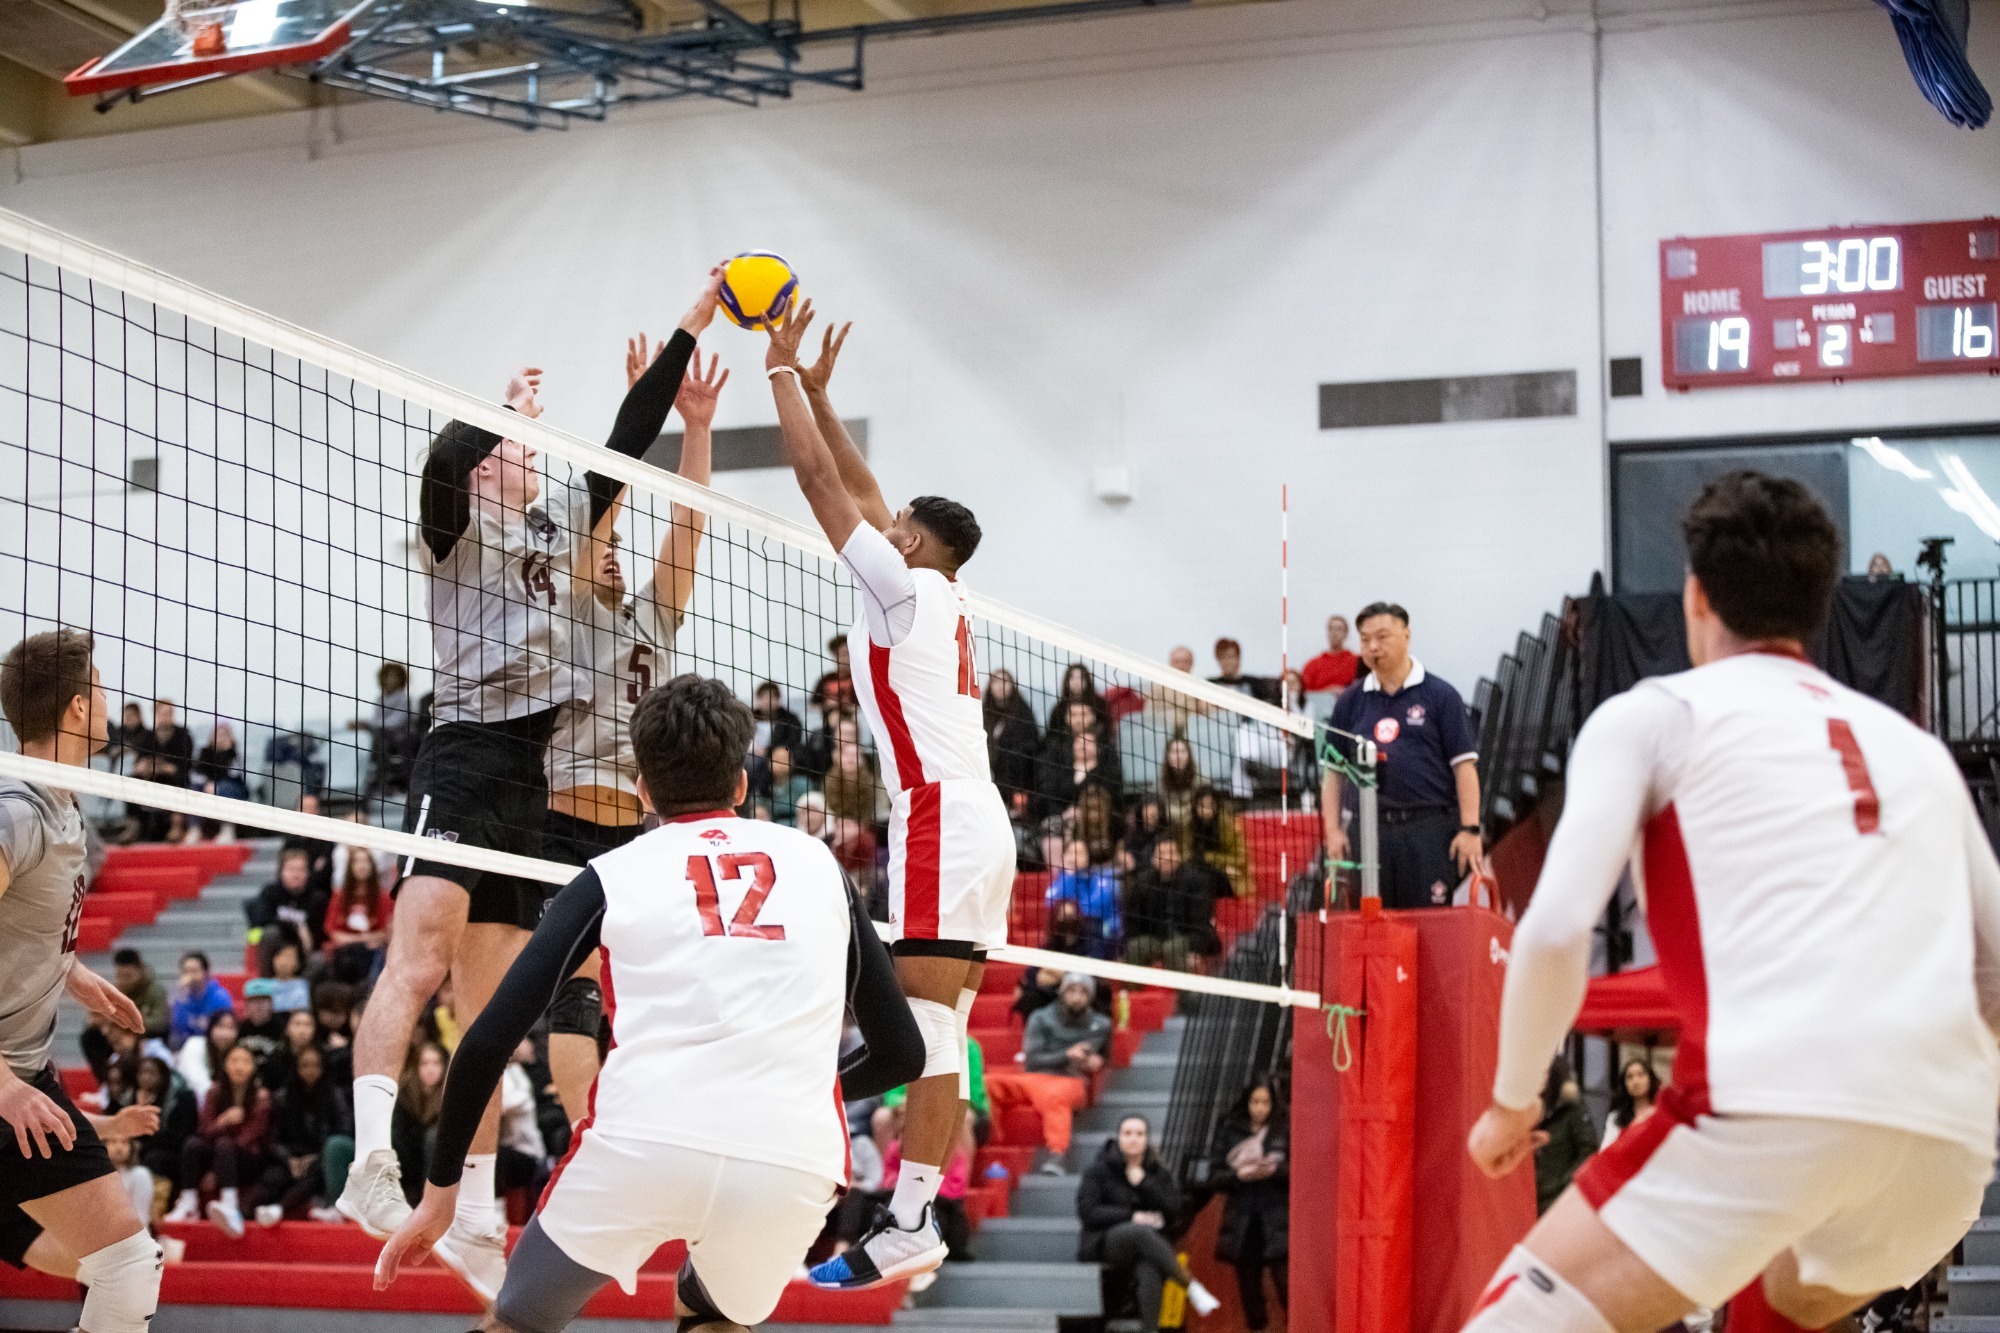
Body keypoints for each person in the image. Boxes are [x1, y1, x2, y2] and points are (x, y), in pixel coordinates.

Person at [1462, 471, 2000, 1333]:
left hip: (1770, 1105)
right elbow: (1994, 980)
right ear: (1820, 605)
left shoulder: (1657, 714)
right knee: (1782, 1296)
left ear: (1696, 596)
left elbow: (1557, 926)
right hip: (1947, 1150)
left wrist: (1512, 1101)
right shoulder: (1920, 752)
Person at [339, 272, 723, 1304]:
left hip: (534, 785)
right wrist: (494, 414)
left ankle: (465, 1207)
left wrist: (693, 325)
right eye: (514, 449)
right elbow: (441, 462)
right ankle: (369, 1159)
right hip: (469, 752)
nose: (529, 453)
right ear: (487, 468)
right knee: (417, 965)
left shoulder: (561, 536)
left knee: (489, 1011)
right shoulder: (454, 529)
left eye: (525, 445)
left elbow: (627, 444)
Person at [371, 674, 925, 1333]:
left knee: (519, 1318)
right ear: (742, 784)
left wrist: (440, 1200)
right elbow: (904, 1052)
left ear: (643, 790)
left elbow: (488, 1039)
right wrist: (811, 1085)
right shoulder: (819, 863)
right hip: (790, 1158)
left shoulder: (614, 871)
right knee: (714, 1308)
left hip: (644, 1144)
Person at [764, 307, 1016, 1292]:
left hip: (940, 817)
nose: (883, 524)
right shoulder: (940, 591)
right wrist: (824, 395)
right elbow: (866, 491)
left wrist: (781, 375)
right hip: (976, 818)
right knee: (940, 1031)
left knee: (915, 1030)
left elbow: (826, 487)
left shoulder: (898, 589)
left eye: (896, 524)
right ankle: (911, 1215)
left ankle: (862, 1175)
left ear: (910, 541)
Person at [537, 339, 722, 1124]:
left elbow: (687, 522)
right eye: (602, 549)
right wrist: (637, 419)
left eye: (615, 551)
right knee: (574, 991)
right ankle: (587, 1133)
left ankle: (659, 1123)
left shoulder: (655, 616)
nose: (611, 558)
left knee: (651, 995)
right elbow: (603, 507)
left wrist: (699, 425)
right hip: (559, 824)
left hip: (639, 835)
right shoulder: (571, 605)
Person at [0, 629, 167, 1330]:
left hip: (26, 1068)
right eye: (98, 686)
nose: (107, 699)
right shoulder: (19, 810)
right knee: (127, 1264)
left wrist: (69, 970)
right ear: (75, 708)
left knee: (111, 1262)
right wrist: (3, 1084)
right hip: (7, 1075)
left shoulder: (64, 801)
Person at [1322, 603, 1483, 910]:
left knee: (1430, 928)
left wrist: (1470, 828)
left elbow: (1465, 767)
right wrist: (1332, 830)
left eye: (1382, 637)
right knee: (1372, 927)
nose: (1373, 647)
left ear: (1406, 636)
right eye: (1365, 639)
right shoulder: (1350, 702)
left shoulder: (1441, 696)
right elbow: (1333, 772)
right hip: (1368, 834)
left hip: (1428, 831)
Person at [1076, 1116, 1219, 1332]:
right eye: (1127, 1133)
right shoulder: (1099, 1171)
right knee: (1139, 1232)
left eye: (1139, 1134)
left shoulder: (1157, 1172)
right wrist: (1132, 1216)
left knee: (1149, 1266)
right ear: (1118, 1138)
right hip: (1103, 1241)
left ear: (1146, 1139)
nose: (1133, 1139)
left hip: (1149, 1246)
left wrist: (1144, 1183)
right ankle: (1191, 1287)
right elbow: (1088, 1212)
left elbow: (1173, 1211)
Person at [986, 973, 1111, 1174]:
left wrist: (1096, 1062)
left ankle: (1057, 1155)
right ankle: (991, 1137)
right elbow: (1033, 1060)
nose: (1077, 997)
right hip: (1035, 1076)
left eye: (1083, 992)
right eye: (1072, 990)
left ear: (1090, 996)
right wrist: (1067, 1054)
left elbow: (1104, 1058)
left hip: (1070, 1080)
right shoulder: (1040, 1017)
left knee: (1056, 1096)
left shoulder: (1101, 1024)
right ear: (1062, 993)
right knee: (988, 1082)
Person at [164, 1043, 272, 1237]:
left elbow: (250, 1136)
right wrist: (223, 1120)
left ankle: (230, 1205)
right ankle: (189, 1202)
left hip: (248, 1159)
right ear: (224, 1065)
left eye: (245, 1062)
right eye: (234, 1061)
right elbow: (204, 1131)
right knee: (192, 1144)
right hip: (219, 1153)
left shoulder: (261, 1098)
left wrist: (216, 1170)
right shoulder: (214, 1092)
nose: (239, 1067)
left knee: (225, 1145)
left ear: (253, 1067)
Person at [1210, 1081, 1288, 1333]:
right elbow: (1214, 1175)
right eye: (1255, 1102)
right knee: (1249, 1286)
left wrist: (1274, 1171)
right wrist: (1238, 1176)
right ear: (1246, 1102)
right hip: (1243, 1217)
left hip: (1277, 1216)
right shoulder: (1231, 1129)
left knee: (1286, 1282)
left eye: (1265, 1102)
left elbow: (1300, 1172)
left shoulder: (1283, 1130)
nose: (1260, 1108)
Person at [262, 1042, 352, 1225]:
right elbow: (272, 1139)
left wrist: (314, 1158)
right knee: (273, 1177)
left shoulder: (335, 1096)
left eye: (315, 1065)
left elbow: (344, 1132)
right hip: (290, 1158)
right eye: (304, 1065)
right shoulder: (283, 1097)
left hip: (321, 1158)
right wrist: (289, 1159)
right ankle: (248, 1212)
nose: (310, 1070)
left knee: (317, 1171)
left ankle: (279, 1208)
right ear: (296, 1068)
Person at [1123, 839, 1219, 971]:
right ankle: (1131, 991)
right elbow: (1133, 919)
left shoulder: (1197, 880)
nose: (1167, 858)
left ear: (1179, 856)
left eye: (1171, 852)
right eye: (1161, 853)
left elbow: (1202, 923)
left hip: (1189, 938)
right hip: (1157, 937)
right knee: (1135, 946)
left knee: (1172, 949)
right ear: (1153, 858)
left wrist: (1196, 950)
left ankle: (1185, 991)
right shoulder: (1143, 881)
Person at [1533, 1055, 1597, 1215]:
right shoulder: (1530, 1110)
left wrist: (1564, 1184)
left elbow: (1588, 1150)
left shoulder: (1572, 1109)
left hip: (1560, 1199)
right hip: (1532, 1197)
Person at [324, 845, 394, 986]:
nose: (362, 866)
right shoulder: (340, 896)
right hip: (345, 954)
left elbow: (388, 933)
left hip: (375, 954)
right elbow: (334, 933)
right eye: (357, 861)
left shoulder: (384, 897)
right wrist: (364, 939)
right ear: (350, 866)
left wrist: (358, 940)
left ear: (372, 865)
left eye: (365, 861)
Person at [128, 697, 194, 842]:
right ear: (156, 714)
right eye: (163, 713)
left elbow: (182, 767)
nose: (167, 716)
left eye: (170, 713)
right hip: (152, 778)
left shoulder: (183, 736)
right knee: (132, 779)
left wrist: (159, 767)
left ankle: (176, 825)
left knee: (180, 779)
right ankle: (134, 824)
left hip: (174, 779)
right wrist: (149, 766)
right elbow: (139, 764)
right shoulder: (148, 737)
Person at [245, 845, 327, 961]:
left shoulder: (318, 898)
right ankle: (268, 979)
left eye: (300, 870)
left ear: (308, 872)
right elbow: (262, 920)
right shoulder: (270, 892)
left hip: (306, 951)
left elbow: (321, 933)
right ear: (281, 872)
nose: (296, 875)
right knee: (270, 933)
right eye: (291, 869)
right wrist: (294, 927)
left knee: (319, 959)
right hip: (277, 950)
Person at [392, 1042, 449, 1207]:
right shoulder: (403, 1093)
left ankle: (430, 1203)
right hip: (408, 1160)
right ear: (416, 1067)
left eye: (436, 1063)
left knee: (434, 1136)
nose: (430, 1069)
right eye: (424, 1063)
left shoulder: (451, 1094)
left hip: (440, 1165)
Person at [1044, 841, 1121, 958]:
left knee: (1088, 925)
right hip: (1067, 932)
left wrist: (1073, 908)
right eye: (1070, 852)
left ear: (1088, 858)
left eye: (1079, 853)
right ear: (1063, 857)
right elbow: (1055, 906)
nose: (1073, 857)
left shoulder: (1099, 880)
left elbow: (1095, 908)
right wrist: (1069, 875)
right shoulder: (1060, 881)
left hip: (1099, 933)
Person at [982, 668, 1041, 815]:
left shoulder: (1024, 715)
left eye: (1005, 681)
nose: (1000, 686)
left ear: (1012, 685)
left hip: (1016, 788)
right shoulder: (983, 714)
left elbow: (1029, 754)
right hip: (986, 781)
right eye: (996, 682)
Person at [169, 950, 235, 1051]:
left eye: (194, 971)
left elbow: (223, 1029)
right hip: (189, 1049)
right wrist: (182, 996)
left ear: (206, 972)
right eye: (186, 972)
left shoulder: (220, 997)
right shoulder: (182, 999)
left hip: (214, 1048)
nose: (190, 977)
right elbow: (178, 1030)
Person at [193, 721, 247, 840]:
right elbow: (195, 775)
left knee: (225, 787)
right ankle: (194, 829)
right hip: (207, 788)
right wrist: (208, 783)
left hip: (234, 790)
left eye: (224, 735)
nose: (221, 739)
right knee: (193, 789)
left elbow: (234, 774)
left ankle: (227, 828)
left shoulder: (235, 753)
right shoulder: (204, 753)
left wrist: (227, 753)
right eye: (218, 735)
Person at [176, 1008, 240, 1100]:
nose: (225, 1033)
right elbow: (198, 1085)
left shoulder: (237, 1052)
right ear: (210, 1028)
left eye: (231, 1028)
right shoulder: (194, 1045)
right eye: (220, 1026)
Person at [1147, 646, 1211, 735]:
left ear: (1192, 664)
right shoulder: (1158, 688)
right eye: (1177, 662)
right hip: (1164, 731)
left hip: (1193, 731)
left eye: (1185, 662)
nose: (1181, 666)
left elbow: (1208, 711)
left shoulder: (1200, 687)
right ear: (1170, 664)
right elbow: (1149, 713)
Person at [1601, 1058, 1661, 1150]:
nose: (1635, 1081)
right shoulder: (1616, 1117)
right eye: (1630, 1077)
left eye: (1641, 1075)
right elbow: (1605, 1150)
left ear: (1650, 1079)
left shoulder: (1661, 1114)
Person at [1300, 614, 1359, 695]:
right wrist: (1327, 693)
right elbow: (1305, 696)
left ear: (1346, 634)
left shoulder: (1357, 662)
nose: (1334, 633)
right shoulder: (1312, 665)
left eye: (1339, 629)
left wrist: (1345, 692)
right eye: (1331, 629)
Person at [1209, 639, 1278, 706]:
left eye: (1231, 656)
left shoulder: (1253, 684)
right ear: (1217, 659)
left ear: (1238, 658)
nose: (1227, 661)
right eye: (1223, 657)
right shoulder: (1210, 685)